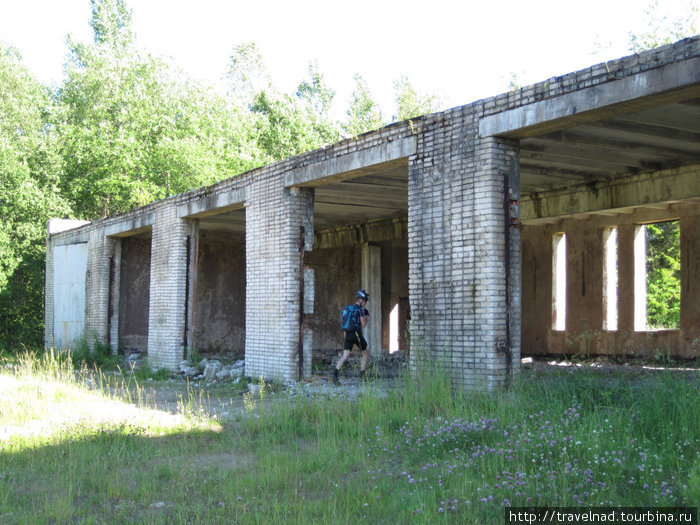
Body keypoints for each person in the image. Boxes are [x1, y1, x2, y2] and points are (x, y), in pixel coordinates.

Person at [332, 290, 370, 383]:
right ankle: (362, 374)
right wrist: (367, 317)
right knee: (365, 353)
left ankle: (335, 373)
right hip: (356, 334)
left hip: (348, 334)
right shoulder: (360, 309)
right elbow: (364, 324)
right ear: (360, 300)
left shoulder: (348, 308)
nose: (365, 303)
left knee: (345, 356)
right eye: (365, 301)